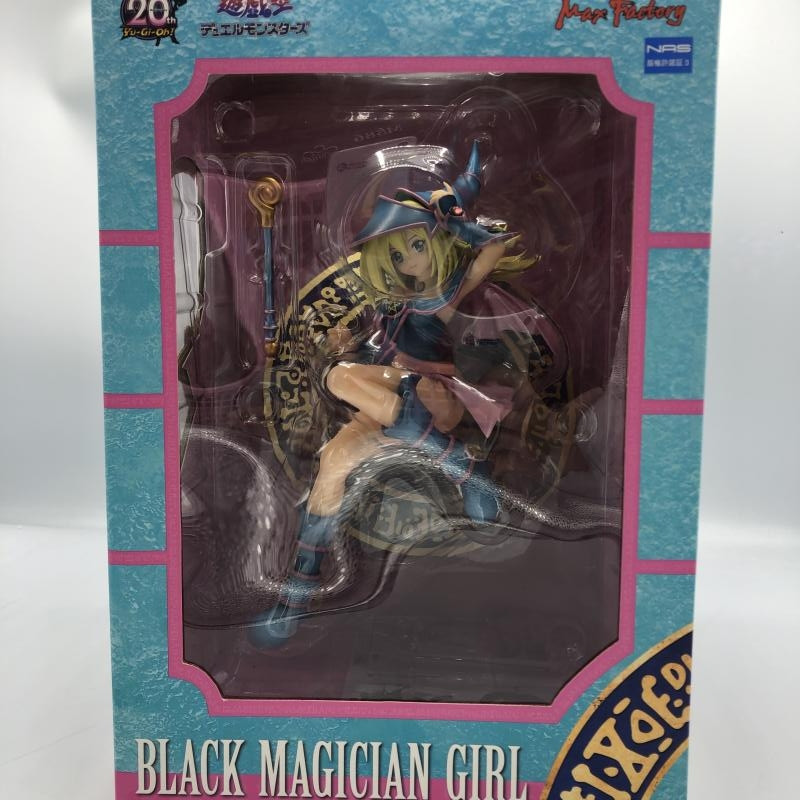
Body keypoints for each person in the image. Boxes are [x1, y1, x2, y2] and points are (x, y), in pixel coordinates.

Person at [251, 142, 539, 645]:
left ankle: (459, 462)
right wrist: (347, 344)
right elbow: (380, 351)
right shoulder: (392, 303)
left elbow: (493, 250)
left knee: (339, 379)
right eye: (398, 253)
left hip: (437, 393)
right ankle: (297, 592)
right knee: (333, 461)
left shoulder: (443, 294)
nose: (409, 260)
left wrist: (455, 221)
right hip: (393, 401)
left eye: (417, 245)